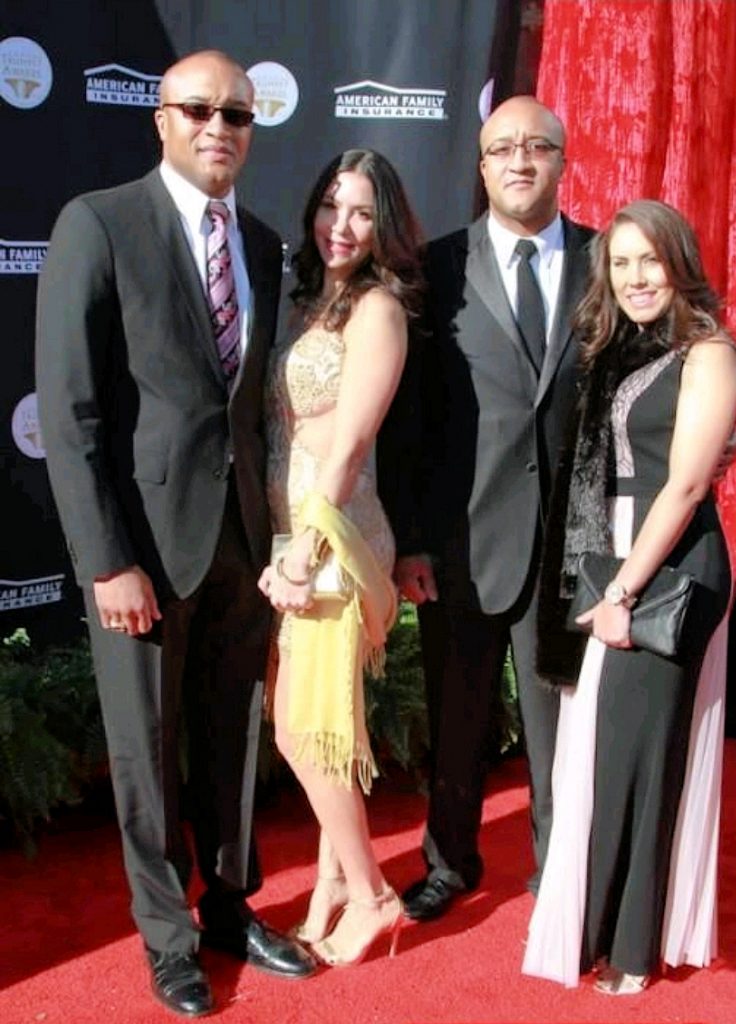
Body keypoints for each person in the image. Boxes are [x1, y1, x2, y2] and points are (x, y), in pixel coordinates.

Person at [35, 50, 316, 1018]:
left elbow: (262, 415)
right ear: (160, 119)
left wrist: (283, 533)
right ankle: (166, 940)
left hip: (242, 541)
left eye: (237, 115)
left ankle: (231, 909)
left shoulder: (266, 241)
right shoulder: (99, 223)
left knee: (233, 739)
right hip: (143, 553)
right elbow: (70, 416)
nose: (219, 128)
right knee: (147, 754)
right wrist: (105, 559)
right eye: (198, 109)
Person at [522, 199, 736, 993]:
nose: (636, 277)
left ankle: (633, 950)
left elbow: (684, 486)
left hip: (670, 570)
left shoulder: (709, 352)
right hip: (617, 560)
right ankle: (598, 930)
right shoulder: (620, 349)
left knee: (640, 762)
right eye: (620, 263)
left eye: (650, 259)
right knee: (605, 756)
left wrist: (621, 588)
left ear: (680, 261)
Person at [394, 96, 595, 920]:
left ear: (561, 160)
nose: (520, 161)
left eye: (537, 147)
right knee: (457, 720)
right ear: (481, 168)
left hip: (573, 547)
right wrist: (410, 541)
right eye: (502, 149)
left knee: (559, 734)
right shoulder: (437, 269)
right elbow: (409, 420)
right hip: (462, 540)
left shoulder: (609, 259)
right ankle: (449, 863)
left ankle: (561, 875)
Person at [257, 149, 424, 967]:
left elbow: (350, 445)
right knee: (320, 727)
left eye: (361, 211)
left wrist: (303, 555)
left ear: (384, 223)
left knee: (302, 727)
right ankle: (329, 889)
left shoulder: (378, 311)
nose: (341, 225)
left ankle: (372, 895)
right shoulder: (316, 302)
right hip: (302, 537)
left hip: (339, 538)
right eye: (331, 204)